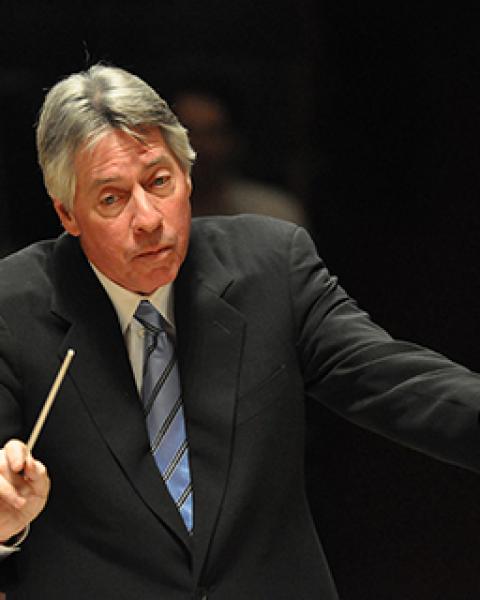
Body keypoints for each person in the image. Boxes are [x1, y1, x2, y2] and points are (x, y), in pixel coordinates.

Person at [0, 65, 479, 599]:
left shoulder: (271, 266)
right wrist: (4, 528)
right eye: (111, 198)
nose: (148, 219)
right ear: (68, 214)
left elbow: (396, 382)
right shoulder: (12, 310)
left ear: (187, 175)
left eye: (159, 182)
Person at [171, 85, 309, 226]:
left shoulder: (273, 215)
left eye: (213, 134)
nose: (200, 146)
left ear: (233, 141)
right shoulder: (156, 215)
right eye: (187, 133)